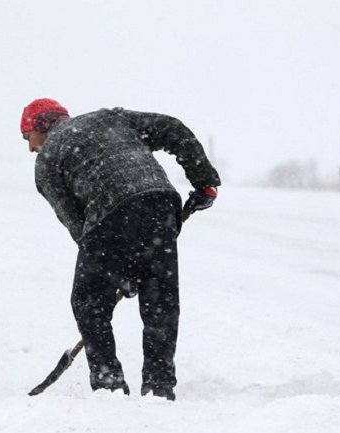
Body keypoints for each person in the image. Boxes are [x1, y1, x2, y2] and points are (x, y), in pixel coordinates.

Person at [20, 98, 220, 401]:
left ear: (40, 127)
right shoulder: (110, 118)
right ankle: (159, 386)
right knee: (160, 301)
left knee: (88, 301)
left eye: (27, 137)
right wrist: (204, 181)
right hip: (160, 202)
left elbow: (76, 223)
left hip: (111, 214)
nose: (30, 147)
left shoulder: (47, 161)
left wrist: (114, 271)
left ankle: (109, 385)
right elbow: (172, 128)